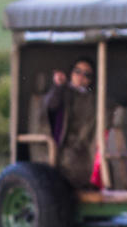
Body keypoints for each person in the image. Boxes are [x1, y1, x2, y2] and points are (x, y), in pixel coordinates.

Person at [42, 57, 98, 187]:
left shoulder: (93, 99)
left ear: (91, 80)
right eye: (77, 72)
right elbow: (51, 106)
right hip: (63, 146)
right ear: (71, 73)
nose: (81, 77)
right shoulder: (62, 91)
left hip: (84, 146)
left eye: (86, 75)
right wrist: (58, 87)